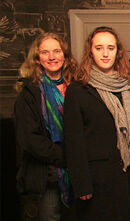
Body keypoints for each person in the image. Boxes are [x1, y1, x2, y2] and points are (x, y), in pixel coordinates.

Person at [64, 26, 130, 220]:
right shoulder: (78, 89)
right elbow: (74, 142)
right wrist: (82, 183)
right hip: (98, 178)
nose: (105, 54)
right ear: (90, 51)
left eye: (110, 48)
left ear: (118, 51)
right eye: (99, 48)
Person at [15, 32, 77, 221]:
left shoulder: (76, 87)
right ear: (37, 58)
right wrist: (63, 156)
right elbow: (29, 139)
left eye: (57, 51)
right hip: (47, 174)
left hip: (78, 171)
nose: (52, 57)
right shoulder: (29, 93)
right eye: (45, 52)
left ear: (65, 55)